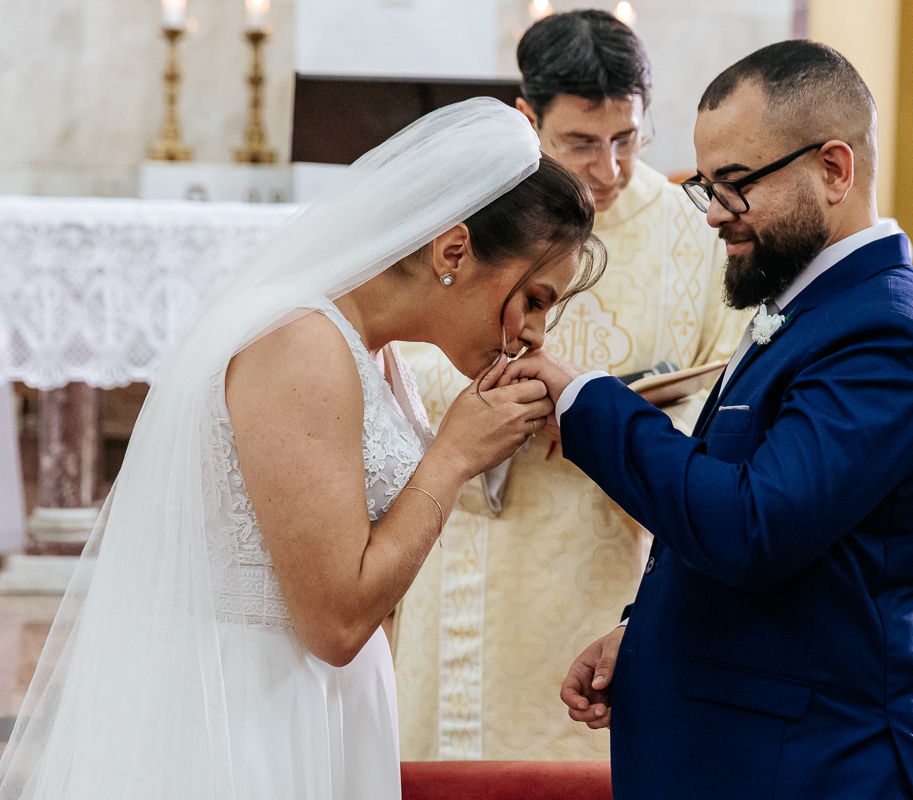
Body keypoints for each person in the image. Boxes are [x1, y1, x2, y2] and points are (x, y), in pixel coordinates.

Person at [0, 99, 603, 800]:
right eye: (532, 298)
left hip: (325, 700)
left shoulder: (377, 355)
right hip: (249, 712)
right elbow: (336, 620)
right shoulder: (302, 343)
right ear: (454, 251)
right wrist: (454, 455)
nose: (534, 333)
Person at [502, 41, 913, 799]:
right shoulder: (809, 312)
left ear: (833, 169)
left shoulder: (888, 332)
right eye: (707, 186)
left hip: (824, 766)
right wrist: (653, 628)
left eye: (736, 185)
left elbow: (753, 527)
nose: (716, 216)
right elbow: (799, 551)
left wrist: (586, 401)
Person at [392, 10, 745, 760]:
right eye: (581, 143)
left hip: (613, 547)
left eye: (627, 140)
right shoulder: (469, 213)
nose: (609, 169)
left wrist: (609, 414)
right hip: (477, 547)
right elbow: (391, 344)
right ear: (528, 118)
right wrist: (505, 393)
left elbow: (725, 390)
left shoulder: (695, 232)